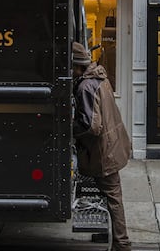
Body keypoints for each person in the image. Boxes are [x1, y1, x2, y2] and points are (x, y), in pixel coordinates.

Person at [71, 41, 132, 251]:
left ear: (77, 66)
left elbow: (91, 126)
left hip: (104, 153)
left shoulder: (85, 86)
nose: (69, 71)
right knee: (112, 197)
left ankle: (122, 244)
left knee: (114, 199)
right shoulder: (99, 78)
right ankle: (117, 242)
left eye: (70, 67)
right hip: (113, 147)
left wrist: (71, 130)